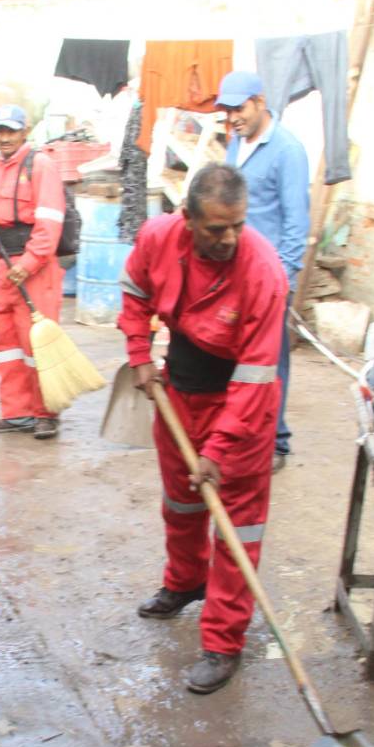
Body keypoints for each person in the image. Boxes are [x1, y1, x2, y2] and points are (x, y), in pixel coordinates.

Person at [120, 163, 287, 694]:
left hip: (242, 404)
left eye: (238, 225)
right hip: (178, 392)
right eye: (216, 228)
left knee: (237, 528)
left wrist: (219, 447)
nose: (230, 238)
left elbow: (257, 376)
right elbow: (135, 291)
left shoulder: (263, 271)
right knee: (182, 504)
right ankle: (185, 582)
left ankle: (222, 642)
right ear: (187, 219)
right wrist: (138, 354)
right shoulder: (157, 238)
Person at [214, 70, 309, 469]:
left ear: (259, 101)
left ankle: (275, 442)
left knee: (270, 360)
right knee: (240, 356)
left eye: (238, 108)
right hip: (235, 270)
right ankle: (240, 434)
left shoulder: (287, 150)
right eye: (227, 111)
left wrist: (283, 280)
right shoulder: (235, 144)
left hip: (270, 276)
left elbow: (296, 222)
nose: (232, 117)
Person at [0, 105, 67, 441]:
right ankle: (17, 413)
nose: (4, 137)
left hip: (36, 269)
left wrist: (29, 262)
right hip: (5, 270)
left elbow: (49, 223)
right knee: (7, 345)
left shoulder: (41, 165)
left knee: (38, 345)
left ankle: (46, 413)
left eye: (10, 131)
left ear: (24, 131)